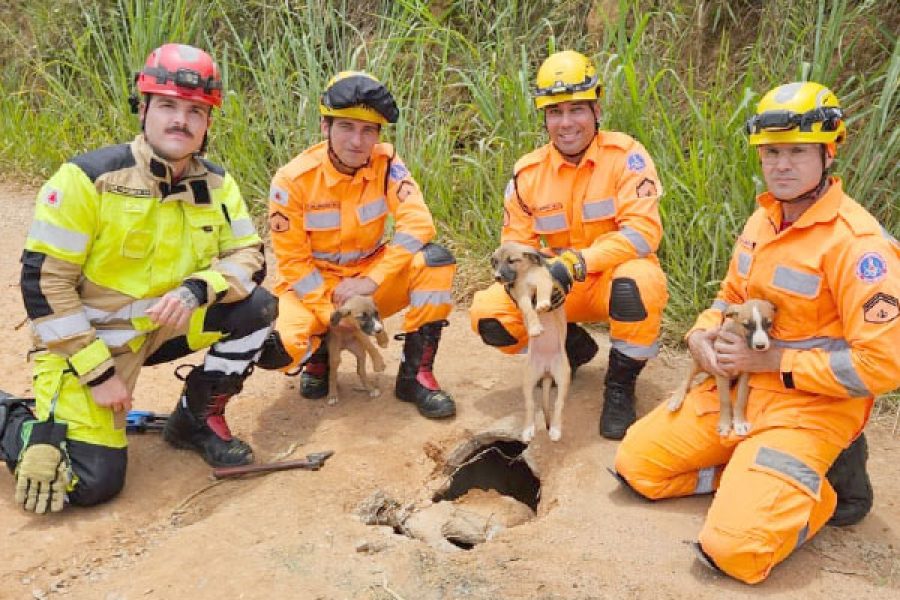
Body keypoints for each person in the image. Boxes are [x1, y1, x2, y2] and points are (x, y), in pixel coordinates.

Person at [614, 81, 900, 584]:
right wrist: (701, 334)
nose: (781, 165)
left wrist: (773, 363)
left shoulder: (859, 247)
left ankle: (821, 492)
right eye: (771, 153)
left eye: (796, 153)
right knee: (638, 467)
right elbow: (729, 296)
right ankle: (745, 480)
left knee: (734, 551)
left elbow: (883, 367)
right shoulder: (762, 220)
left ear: (827, 153)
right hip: (743, 393)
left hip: (815, 408)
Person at [0, 44, 276, 514]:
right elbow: (44, 286)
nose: (181, 121)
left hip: (162, 328)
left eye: (195, 111)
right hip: (91, 344)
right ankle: (16, 418)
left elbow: (249, 254)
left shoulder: (218, 184)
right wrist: (99, 374)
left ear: (208, 123)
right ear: (143, 108)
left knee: (258, 309)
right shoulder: (87, 179)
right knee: (90, 483)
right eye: (167, 105)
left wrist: (197, 288)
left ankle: (194, 421)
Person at [469, 50, 669, 439]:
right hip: (558, 287)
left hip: (611, 279)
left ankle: (619, 387)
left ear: (596, 109)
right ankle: (574, 348)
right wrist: (533, 281)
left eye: (576, 109)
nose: (566, 123)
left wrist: (577, 263)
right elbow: (514, 244)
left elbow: (643, 233)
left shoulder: (627, 157)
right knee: (489, 314)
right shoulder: (528, 173)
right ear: (544, 117)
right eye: (555, 112)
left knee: (638, 285)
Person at [258, 71, 457, 419]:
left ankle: (416, 376)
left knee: (434, 263)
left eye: (368, 131)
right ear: (325, 127)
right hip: (313, 289)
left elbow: (418, 223)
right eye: (346, 127)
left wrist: (372, 280)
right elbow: (293, 263)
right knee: (281, 349)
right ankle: (318, 360)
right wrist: (331, 316)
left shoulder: (387, 164)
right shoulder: (292, 180)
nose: (357, 141)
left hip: (367, 282)